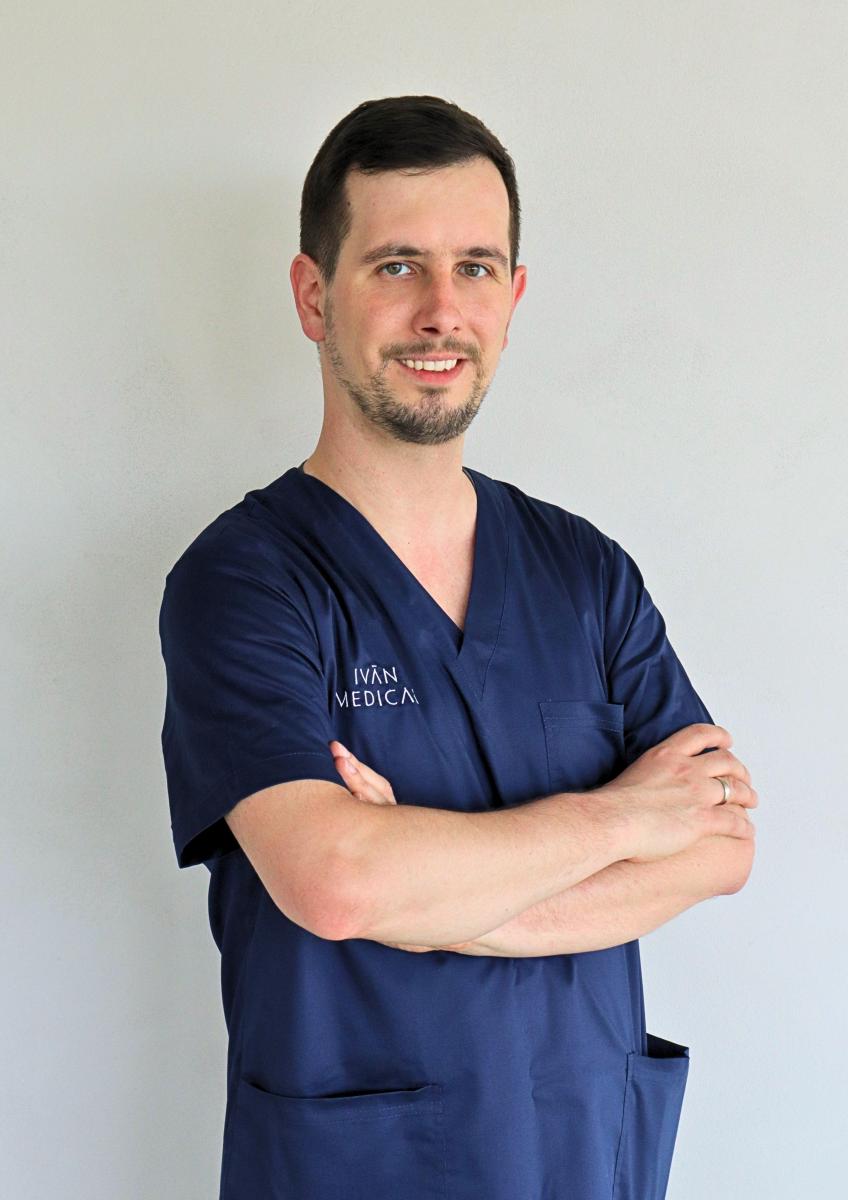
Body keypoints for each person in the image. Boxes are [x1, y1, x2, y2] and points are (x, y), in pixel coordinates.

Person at [157, 94, 758, 1200]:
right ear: (312, 295)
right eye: (396, 266)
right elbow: (338, 880)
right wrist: (626, 820)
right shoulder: (245, 581)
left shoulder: (585, 573)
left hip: (582, 1153)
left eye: (474, 267)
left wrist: (435, 895)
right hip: (359, 1173)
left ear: (512, 297)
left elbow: (720, 845)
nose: (441, 311)